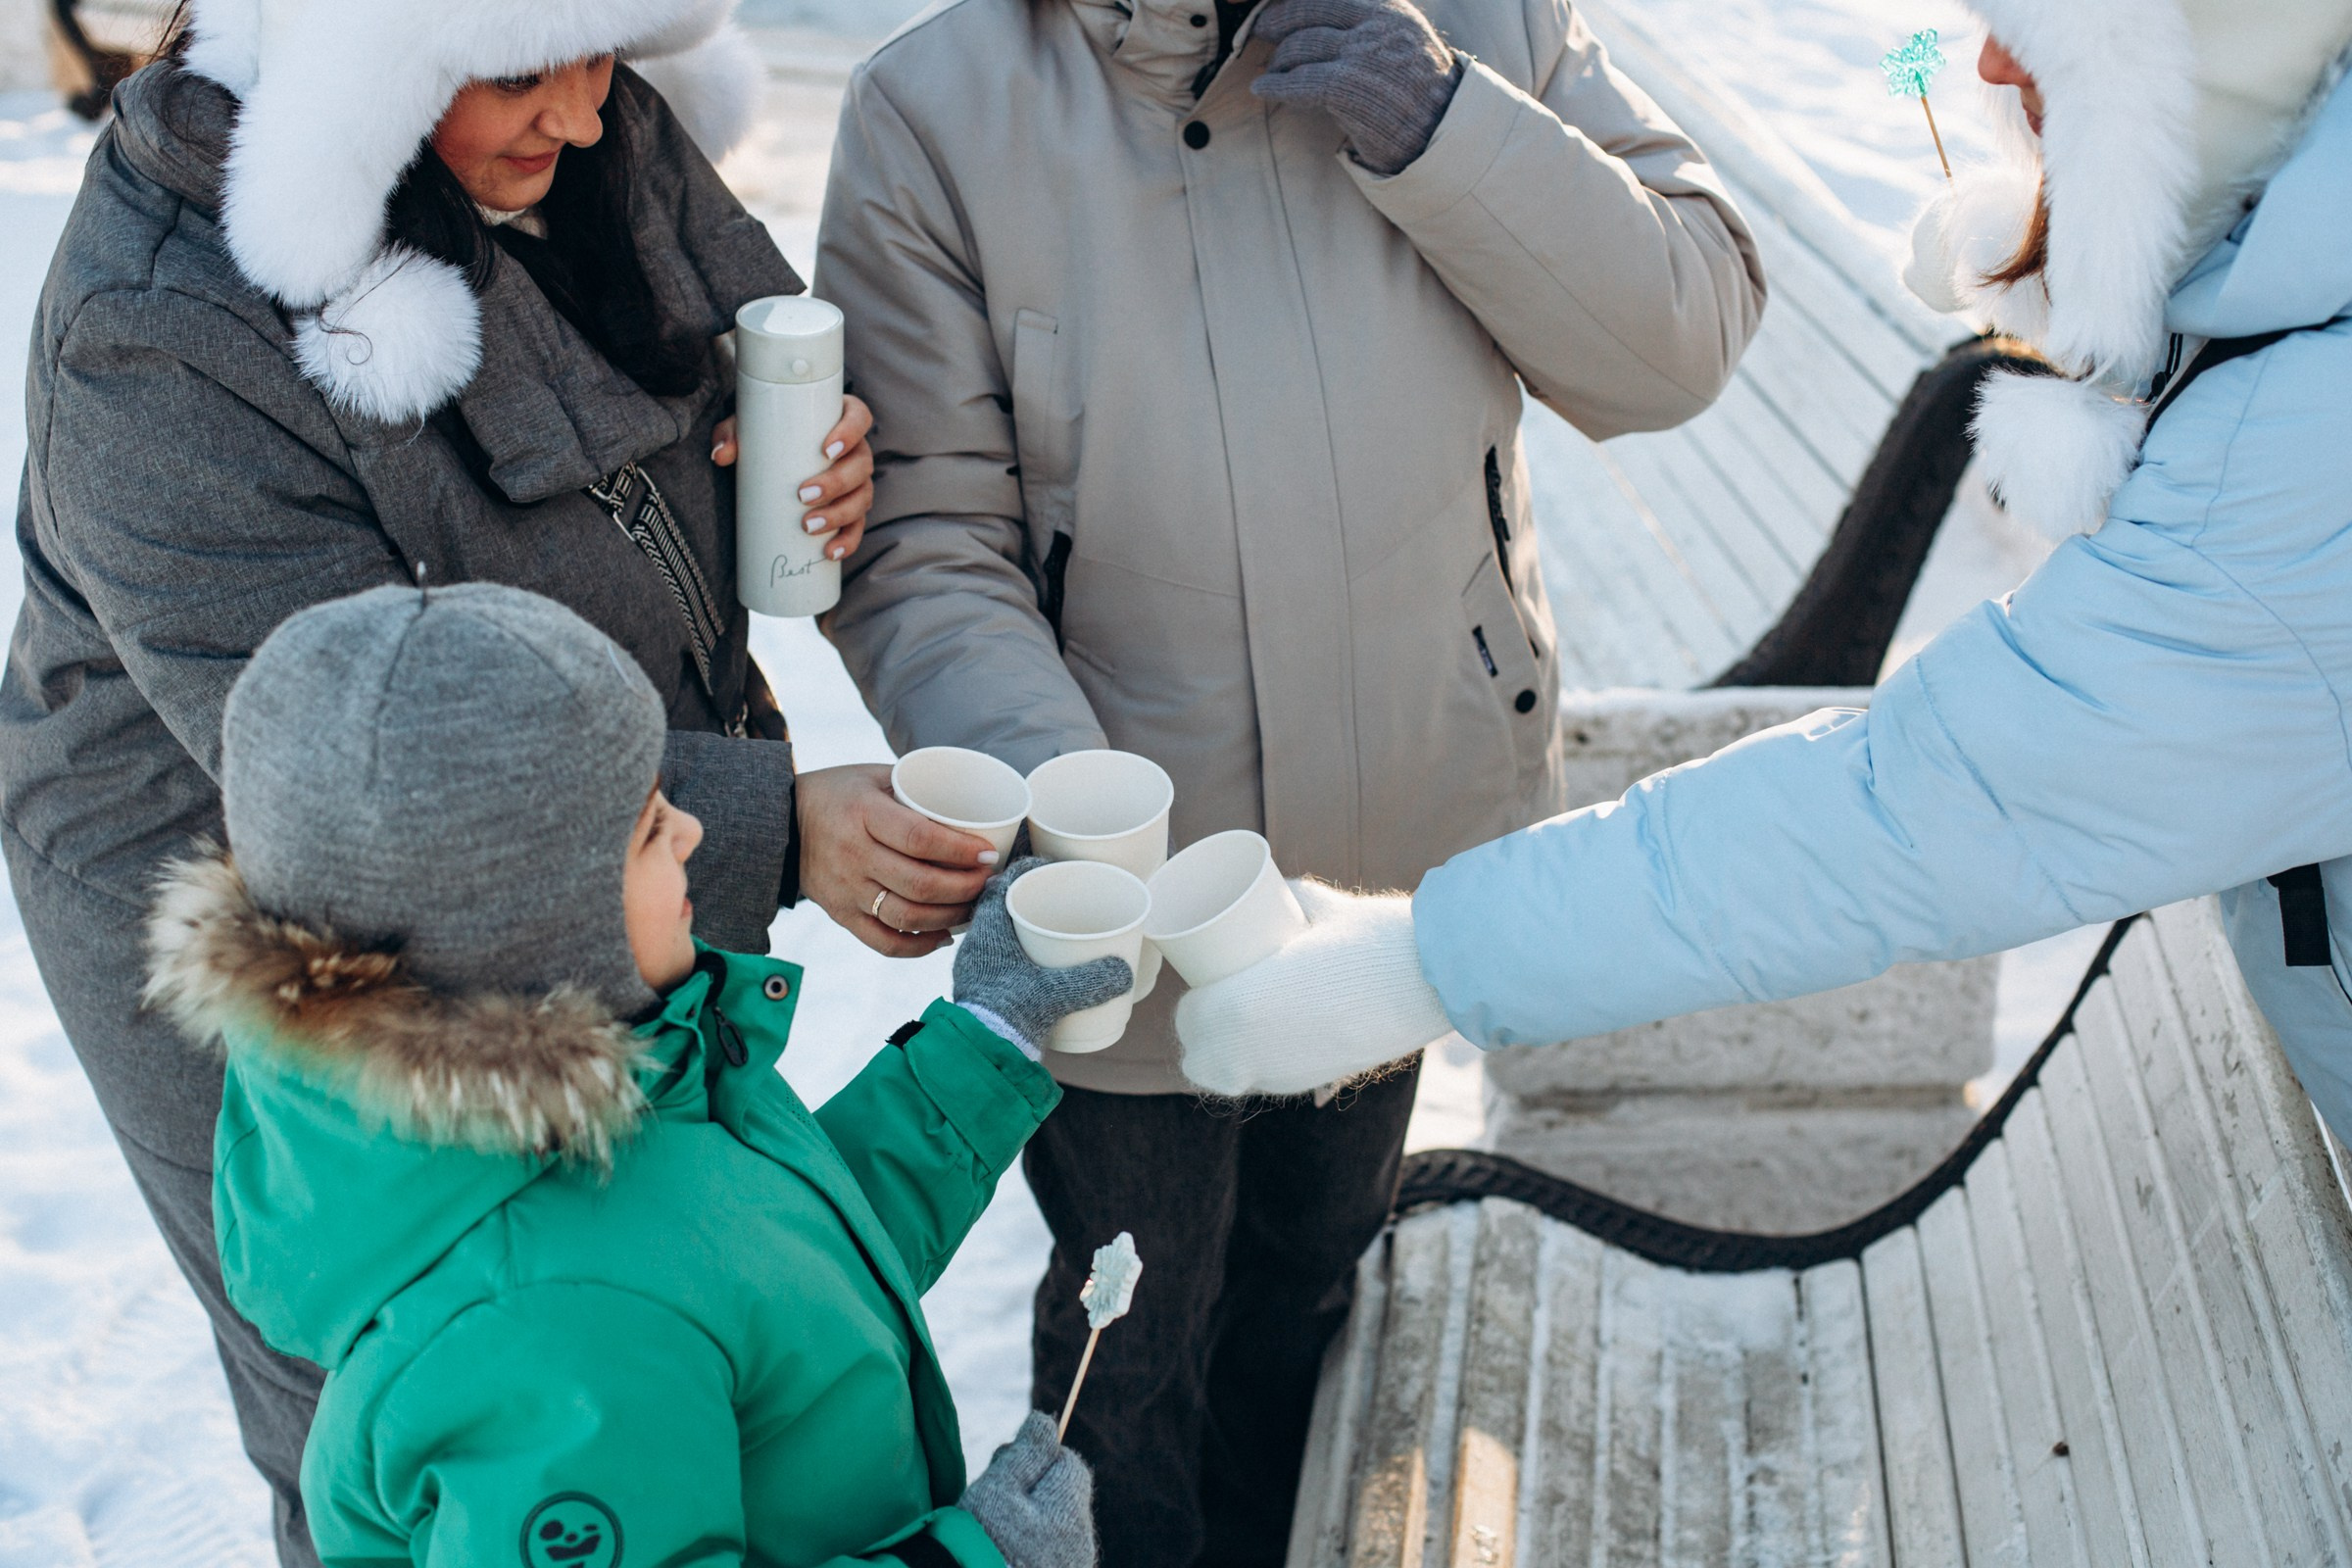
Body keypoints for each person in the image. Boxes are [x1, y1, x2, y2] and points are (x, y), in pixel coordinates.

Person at [0, 4, 995, 1560]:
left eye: (611, 57)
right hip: (290, 927)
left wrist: (803, 443)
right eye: (530, 68)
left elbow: (744, 326)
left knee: (661, 1299)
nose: (592, 121)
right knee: (423, 1385)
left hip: (605, 823)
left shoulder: (573, 113)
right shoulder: (157, 332)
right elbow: (360, 750)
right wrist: (770, 834)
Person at [810, 0, 1766, 1559]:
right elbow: (924, 544)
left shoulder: (1477, 24)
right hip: (1130, 912)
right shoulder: (934, 107)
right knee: (1133, 1348)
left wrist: (1452, 128)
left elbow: (1679, 342)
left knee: (1316, 1293)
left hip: (1395, 861)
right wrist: (1081, 820)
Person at [1172, 0, 2352, 1161]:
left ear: (2194, 81)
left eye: (2056, 34)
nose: (1988, 59)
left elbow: (1921, 811)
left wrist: (1423, 963)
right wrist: (2101, 279)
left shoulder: (2294, 469)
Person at [147, 581, 1120, 1568]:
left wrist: (987, 1037)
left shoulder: (617, 1087)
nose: (695, 833)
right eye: (653, 826)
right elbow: (663, 1285)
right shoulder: (541, 1326)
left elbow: (772, 1262)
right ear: (543, 928)